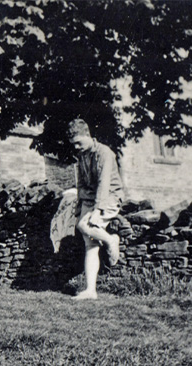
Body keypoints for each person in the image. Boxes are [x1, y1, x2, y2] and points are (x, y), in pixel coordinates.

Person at [68, 118, 124, 300]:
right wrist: (79, 207)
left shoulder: (104, 153)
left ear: (88, 135)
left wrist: (98, 210)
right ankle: (90, 290)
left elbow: (104, 183)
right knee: (90, 243)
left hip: (109, 197)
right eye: (73, 144)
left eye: (79, 142)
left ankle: (111, 240)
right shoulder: (81, 156)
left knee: (84, 226)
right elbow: (81, 184)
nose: (76, 146)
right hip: (89, 198)